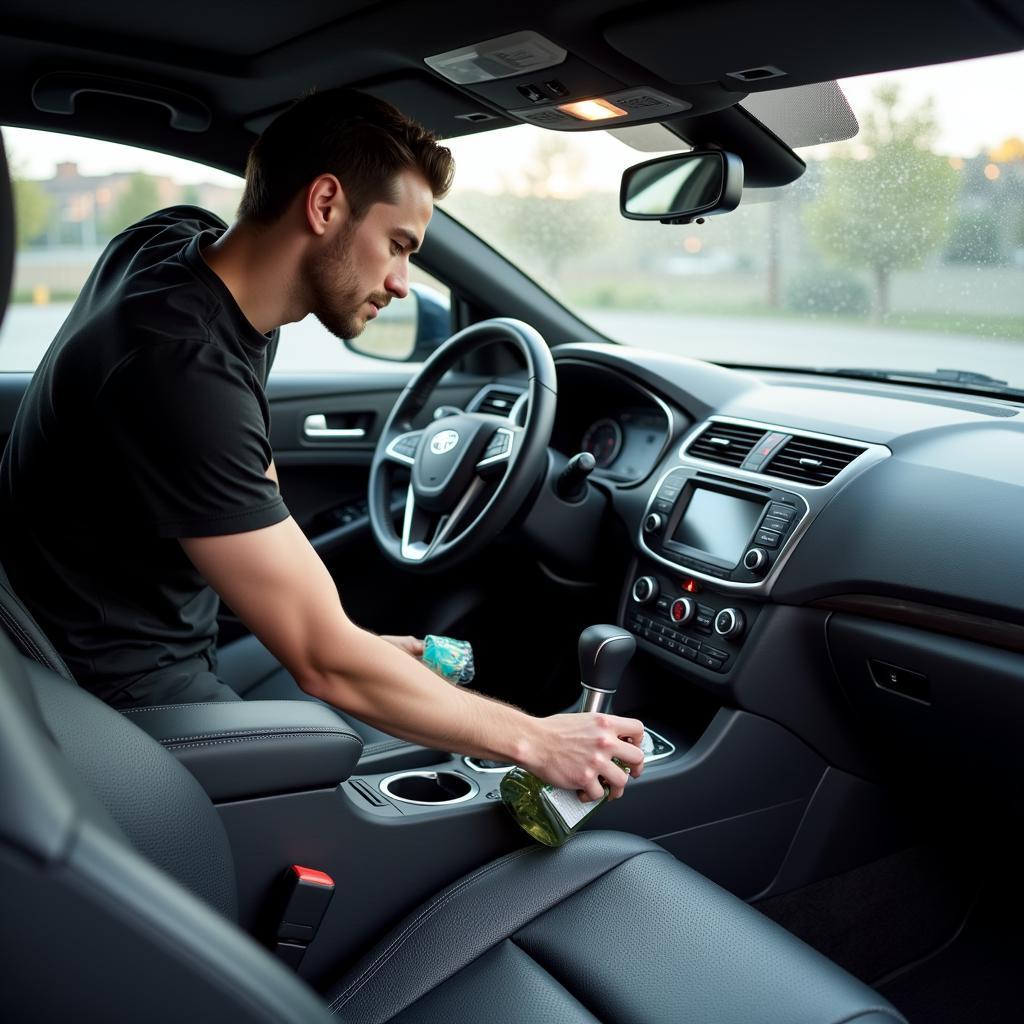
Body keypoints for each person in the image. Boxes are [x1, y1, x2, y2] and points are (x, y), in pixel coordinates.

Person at [0, 89, 643, 802]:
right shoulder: (180, 369)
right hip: (126, 710)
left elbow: (259, 498)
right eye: (398, 246)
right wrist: (540, 739)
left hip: (111, 646)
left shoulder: (172, 244)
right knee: (419, 782)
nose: (402, 284)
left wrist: (353, 642)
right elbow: (322, 665)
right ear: (326, 204)